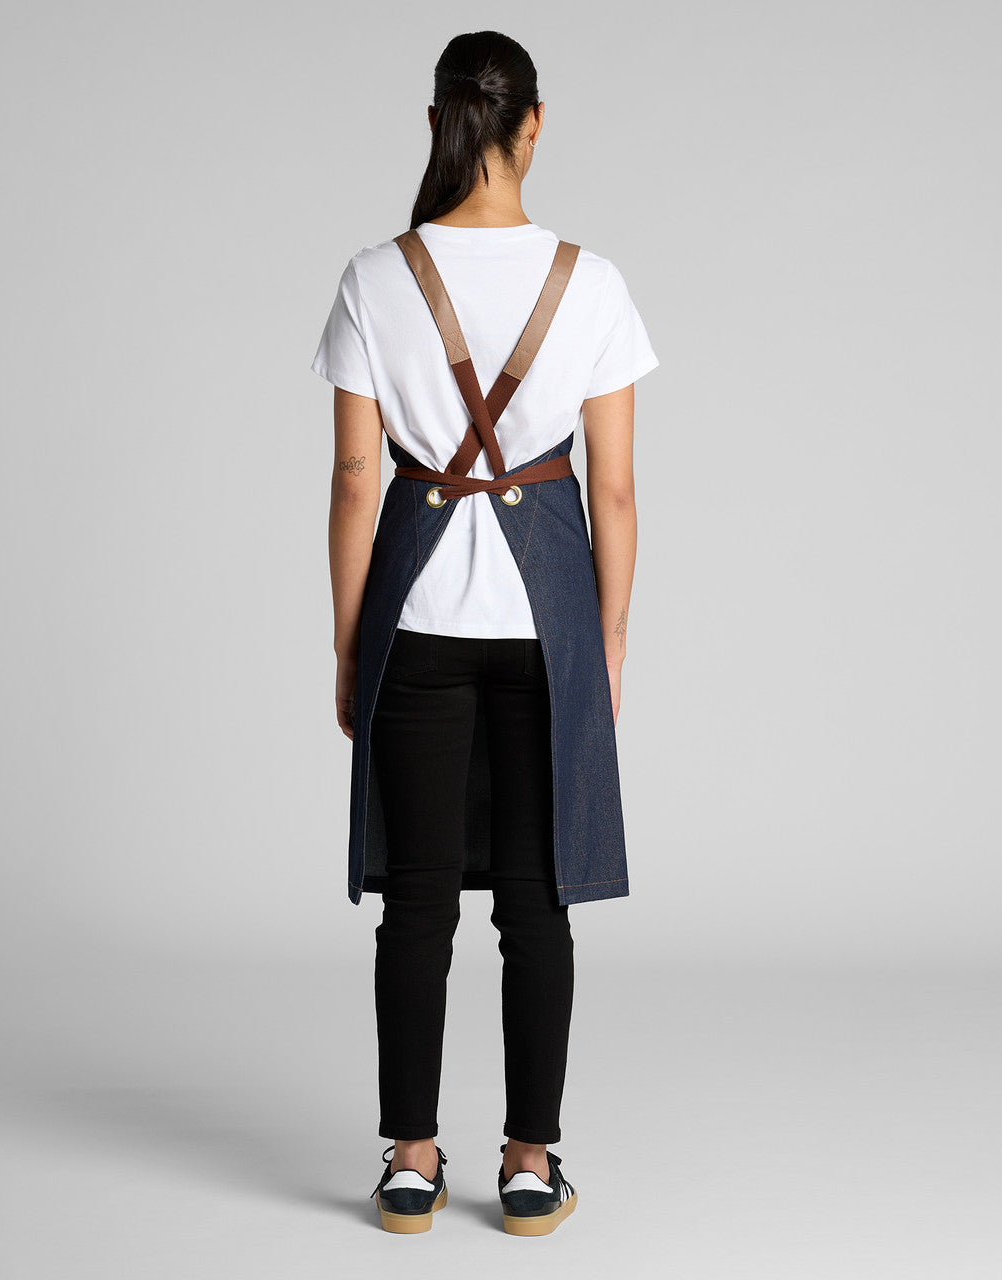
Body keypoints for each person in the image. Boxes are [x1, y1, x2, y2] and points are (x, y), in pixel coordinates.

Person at [311, 29, 659, 1235]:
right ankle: (526, 1162)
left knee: (415, 901)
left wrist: (349, 645)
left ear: (435, 124)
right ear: (534, 124)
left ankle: (410, 1162)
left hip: (413, 620)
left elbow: (355, 482)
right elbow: (614, 491)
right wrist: (606, 640)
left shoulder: (375, 278)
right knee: (534, 901)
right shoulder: (589, 282)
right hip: (542, 625)